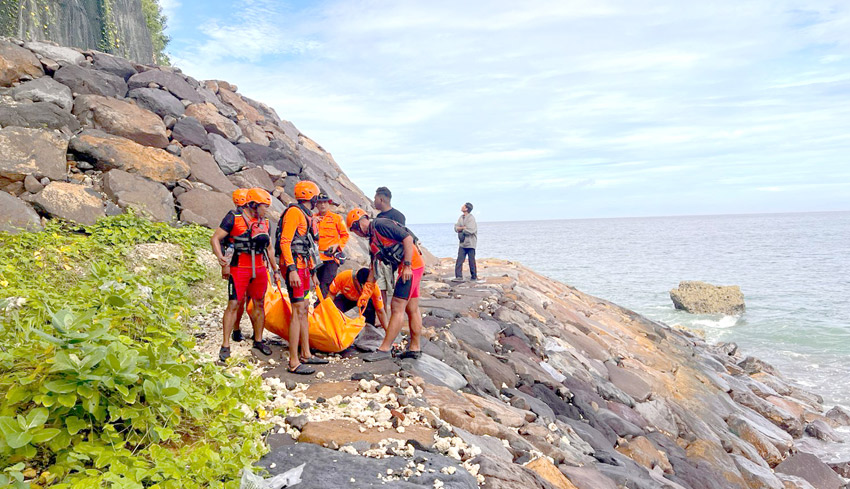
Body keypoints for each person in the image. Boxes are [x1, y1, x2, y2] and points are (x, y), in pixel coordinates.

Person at [211, 188, 280, 362]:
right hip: (239, 266)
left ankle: (258, 340)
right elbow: (216, 238)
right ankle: (225, 344)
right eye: (264, 206)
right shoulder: (234, 218)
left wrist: (275, 269)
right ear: (254, 204)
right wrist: (221, 258)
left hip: (259, 267)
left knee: (259, 303)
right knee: (233, 303)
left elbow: (269, 248)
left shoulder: (265, 223)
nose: (267, 210)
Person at [347, 208, 424, 362]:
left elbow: (407, 239)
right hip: (413, 267)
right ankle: (415, 348)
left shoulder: (380, 225)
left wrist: (407, 266)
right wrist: (365, 293)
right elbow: (374, 267)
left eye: (355, 230)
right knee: (412, 308)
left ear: (359, 223)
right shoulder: (373, 240)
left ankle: (384, 348)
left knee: (396, 306)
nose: (357, 234)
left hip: (411, 267)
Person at [278, 180, 328, 375]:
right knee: (298, 310)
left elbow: (307, 247)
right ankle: (293, 361)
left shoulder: (305, 215)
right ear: (311, 197)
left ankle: (306, 353)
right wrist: (291, 269)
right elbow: (285, 242)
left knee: (305, 308)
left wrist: (313, 273)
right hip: (295, 269)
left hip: (304, 269)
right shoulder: (294, 213)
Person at [221, 188, 250, 341]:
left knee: (242, 299)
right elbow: (221, 240)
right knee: (237, 300)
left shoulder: (235, 216)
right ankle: (235, 329)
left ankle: (237, 328)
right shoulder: (232, 217)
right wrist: (224, 263)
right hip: (236, 261)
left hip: (246, 261)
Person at [373, 186, 406, 310]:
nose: (373, 200)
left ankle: (395, 317)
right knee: (380, 289)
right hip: (380, 260)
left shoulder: (397, 216)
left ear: (381, 199)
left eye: (375, 198)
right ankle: (383, 317)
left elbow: (403, 237)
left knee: (393, 291)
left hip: (393, 261)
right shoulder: (378, 217)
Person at [329, 267, 390, 332]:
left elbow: (380, 311)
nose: (364, 290)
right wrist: (327, 311)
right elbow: (331, 295)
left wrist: (388, 331)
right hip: (346, 297)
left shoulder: (374, 288)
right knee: (334, 310)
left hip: (364, 301)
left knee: (370, 307)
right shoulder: (344, 276)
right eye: (362, 287)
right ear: (356, 280)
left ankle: (368, 331)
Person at [313, 192, 350, 297]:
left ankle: (323, 307)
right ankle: (320, 307)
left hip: (331, 258)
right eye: (320, 203)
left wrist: (337, 246)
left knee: (326, 285)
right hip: (316, 259)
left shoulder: (337, 218)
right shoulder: (312, 218)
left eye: (324, 202)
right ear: (316, 204)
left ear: (329, 204)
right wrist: (313, 223)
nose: (322, 205)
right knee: (318, 284)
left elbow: (345, 235)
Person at [453, 202, 479, 282]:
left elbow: (471, 230)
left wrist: (462, 229)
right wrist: (462, 228)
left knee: (471, 260)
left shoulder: (471, 218)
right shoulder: (461, 217)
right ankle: (458, 276)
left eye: (463, 206)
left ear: (466, 208)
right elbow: (455, 227)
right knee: (459, 260)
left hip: (470, 243)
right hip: (462, 243)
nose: (462, 206)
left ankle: (474, 276)